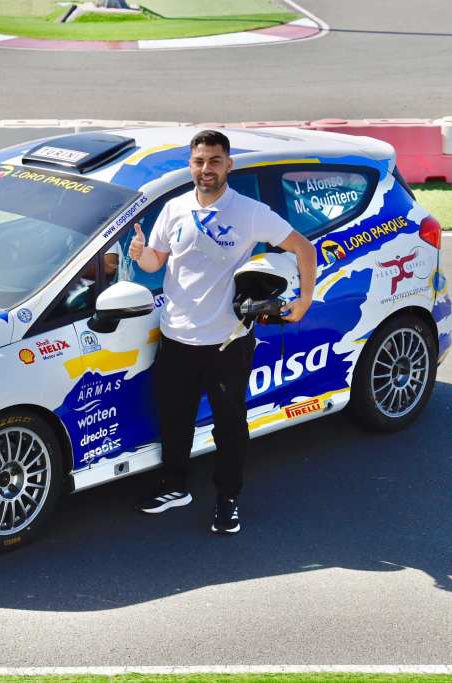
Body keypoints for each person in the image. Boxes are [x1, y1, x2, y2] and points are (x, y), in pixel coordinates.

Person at [129, 129, 317, 535]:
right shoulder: (174, 209)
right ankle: (175, 486)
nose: (206, 169)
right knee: (174, 420)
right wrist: (141, 254)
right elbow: (155, 262)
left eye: (215, 161)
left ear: (228, 165)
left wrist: (304, 300)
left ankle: (228, 499)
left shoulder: (249, 212)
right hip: (175, 338)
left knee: (228, 427)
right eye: (199, 161)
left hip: (227, 342)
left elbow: (304, 247)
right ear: (190, 165)